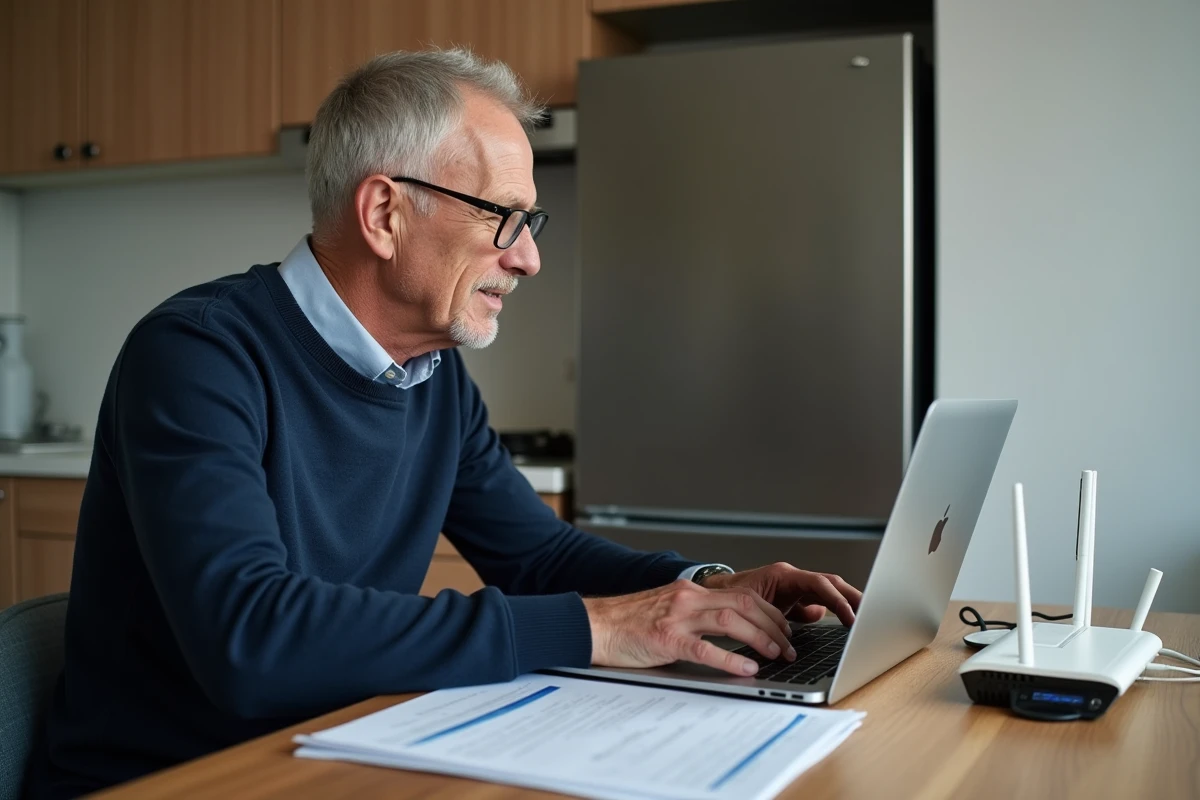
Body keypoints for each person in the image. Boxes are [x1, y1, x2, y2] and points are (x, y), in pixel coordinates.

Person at [25, 49, 862, 799]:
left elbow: (539, 555)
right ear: (384, 213)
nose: (528, 256)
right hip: (172, 781)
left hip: (331, 753)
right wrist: (603, 626)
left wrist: (706, 587)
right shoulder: (199, 355)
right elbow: (253, 638)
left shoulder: (433, 377)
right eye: (503, 216)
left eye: (530, 223)